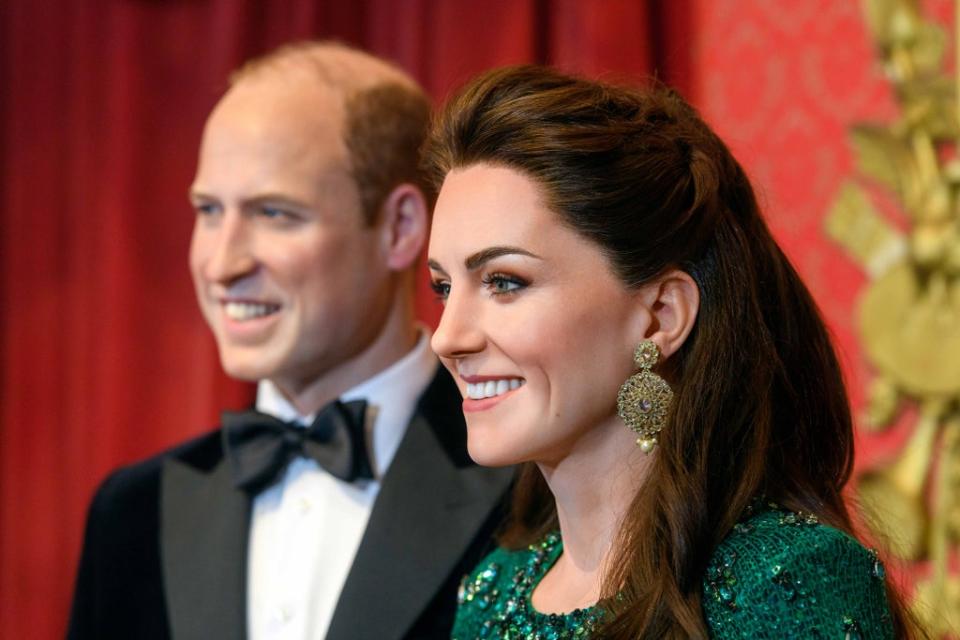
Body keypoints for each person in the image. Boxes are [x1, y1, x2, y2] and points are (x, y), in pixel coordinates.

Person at [423, 65, 919, 639]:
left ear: (661, 316)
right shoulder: (491, 594)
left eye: (504, 281)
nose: (447, 336)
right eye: (443, 287)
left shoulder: (782, 582)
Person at [67, 42, 513, 640]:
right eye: (208, 210)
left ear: (401, 228)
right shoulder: (133, 511)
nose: (221, 264)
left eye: (274, 213)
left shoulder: (529, 486)